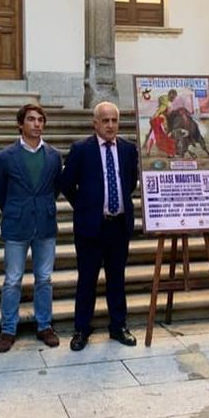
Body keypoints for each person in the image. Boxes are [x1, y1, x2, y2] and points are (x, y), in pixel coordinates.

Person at [60, 102, 139, 351]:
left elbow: (130, 182)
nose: (111, 125)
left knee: (117, 278)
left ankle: (118, 326)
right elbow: (66, 183)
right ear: (95, 123)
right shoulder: (81, 149)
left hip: (118, 226)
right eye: (105, 121)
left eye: (114, 120)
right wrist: (84, 206)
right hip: (90, 228)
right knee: (87, 280)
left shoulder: (128, 150)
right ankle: (81, 329)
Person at [0, 104, 62, 352]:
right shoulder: (5, 157)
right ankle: (8, 329)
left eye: (40, 120)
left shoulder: (54, 156)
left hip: (44, 223)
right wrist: (16, 208)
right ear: (21, 124)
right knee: (12, 279)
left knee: (44, 278)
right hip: (16, 223)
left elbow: (54, 189)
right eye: (31, 119)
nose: (37, 124)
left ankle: (44, 325)